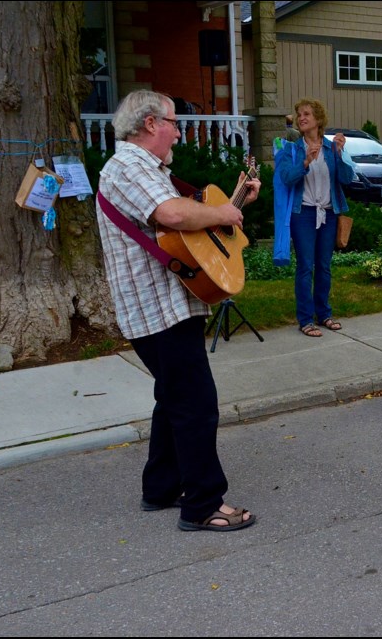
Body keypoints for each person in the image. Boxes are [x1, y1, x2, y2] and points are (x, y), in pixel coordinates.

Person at [96, 90, 259, 532]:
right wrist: (219, 209)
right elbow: (172, 214)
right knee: (196, 404)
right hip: (155, 309)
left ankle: (161, 488)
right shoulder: (129, 164)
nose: (178, 131)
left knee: (172, 400)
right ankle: (204, 505)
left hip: (165, 305)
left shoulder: (147, 169)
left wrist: (234, 207)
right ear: (150, 124)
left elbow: (190, 227)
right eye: (173, 122)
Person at [275, 98, 355, 337]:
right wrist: (306, 162)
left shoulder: (332, 148)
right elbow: (287, 178)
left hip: (329, 214)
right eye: (299, 114)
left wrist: (340, 154)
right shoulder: (293, 149)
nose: (301, 118)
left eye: (307, 114)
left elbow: (347, 178)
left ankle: (325, 314)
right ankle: (305, 319)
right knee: (305, 267)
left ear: (318, 120)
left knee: (324, 267)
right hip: (305, 214)